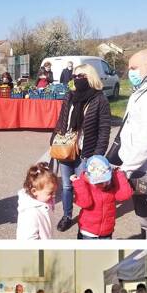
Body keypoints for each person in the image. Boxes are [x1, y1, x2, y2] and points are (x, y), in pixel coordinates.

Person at [51, 63, 112, 232]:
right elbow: (61, 119)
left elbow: (104, 129)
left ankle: (87, 217)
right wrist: (54, 137)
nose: (76, 79)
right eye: (74, 76)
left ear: (90, 77)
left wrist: (98, 155)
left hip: (86, 151)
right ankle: (67, 216)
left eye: (80, 76)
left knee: (85, 187)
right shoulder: (70, 96)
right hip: (66, 148)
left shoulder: (99, 99)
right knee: (66, 186)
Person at [115, 49, 147, 239]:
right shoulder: (146, 89)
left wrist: (125, 169)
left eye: (134, 68)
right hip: (140, 170)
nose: (130, 72)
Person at [72, 155, 132, 239]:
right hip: (88, 232)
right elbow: (85, 203)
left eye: (104, 181)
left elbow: (125, 195)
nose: (101, 185)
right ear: (88, 176)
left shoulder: (111, 186)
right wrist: (78, 183)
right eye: (97, 182)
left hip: (107, 232)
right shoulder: (85, 184)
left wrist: (118, 175)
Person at [16, 163, 58, 240]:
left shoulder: (44, 202)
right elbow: (27, 240)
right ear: (34, 191)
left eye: (55, 192)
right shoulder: (30, 213)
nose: (54, 195)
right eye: (50, 193)